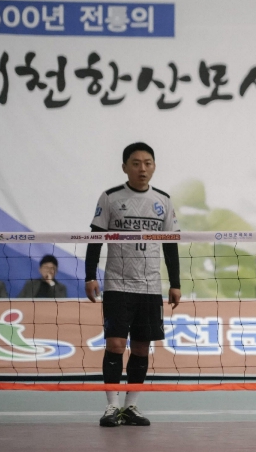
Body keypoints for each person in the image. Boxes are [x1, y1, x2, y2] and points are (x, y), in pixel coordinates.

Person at [84, 142, 181, 427]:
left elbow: (171, 246)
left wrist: (175, 283)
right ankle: (112, 406)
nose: (142, 169)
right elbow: (95, 238)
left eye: (148, 163)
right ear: (125, 167)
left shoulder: (163, 200)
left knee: (140, 348)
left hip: (150, 287)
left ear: (154, 166)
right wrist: (90, 276)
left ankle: (131, 406)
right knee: (115, 344)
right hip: (117, 284)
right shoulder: (111, 197)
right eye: (136, 163)